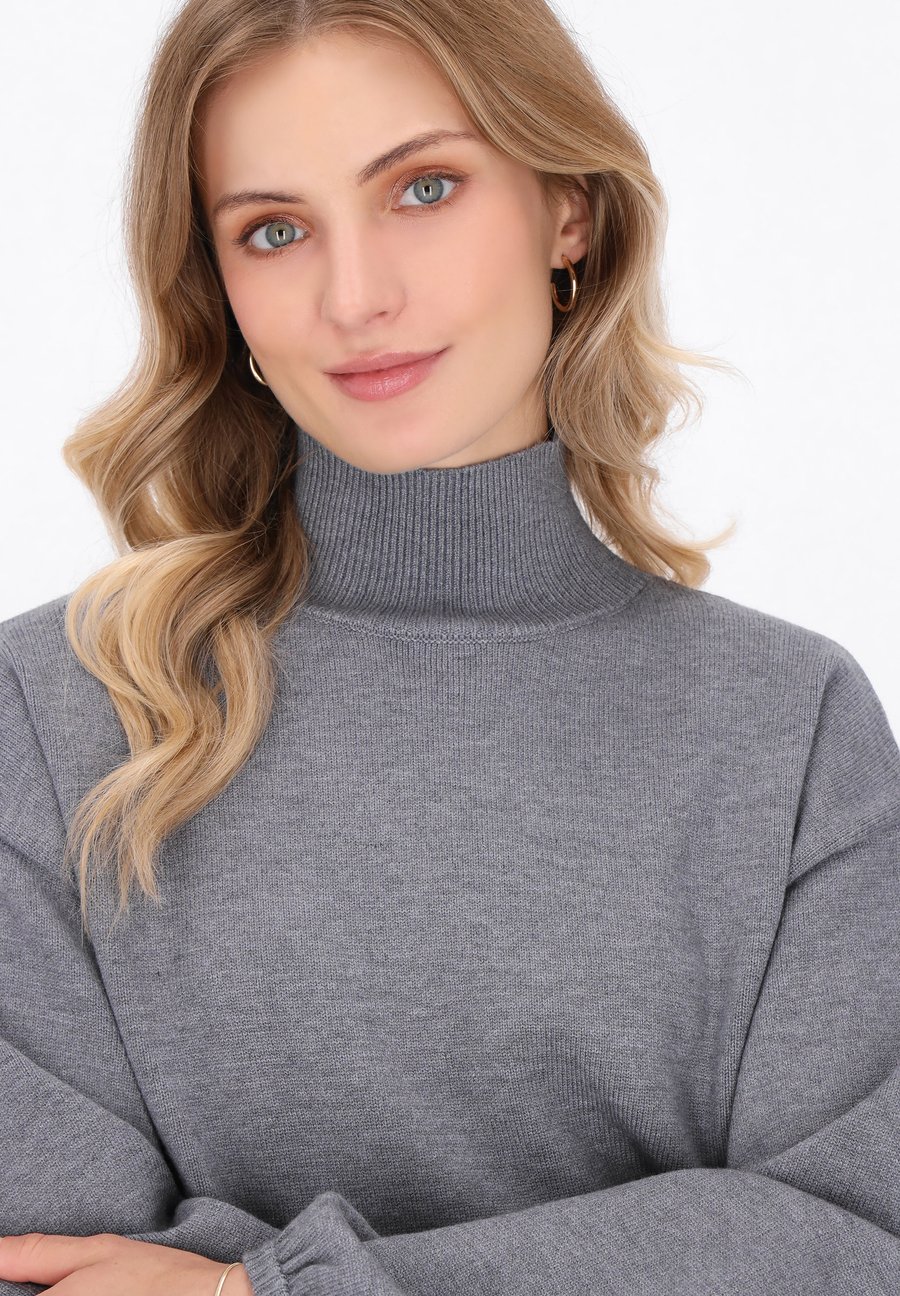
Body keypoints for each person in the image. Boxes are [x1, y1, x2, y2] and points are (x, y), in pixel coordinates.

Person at [1, 0, 897, 1293]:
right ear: (219, 287)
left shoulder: (788, 726)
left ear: (567, 209)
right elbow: (48, 1267)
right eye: (274, 230)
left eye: (423, 188)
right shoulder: (56, 715)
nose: (356, 296)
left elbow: (859, 1240)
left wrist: (265, 1287)